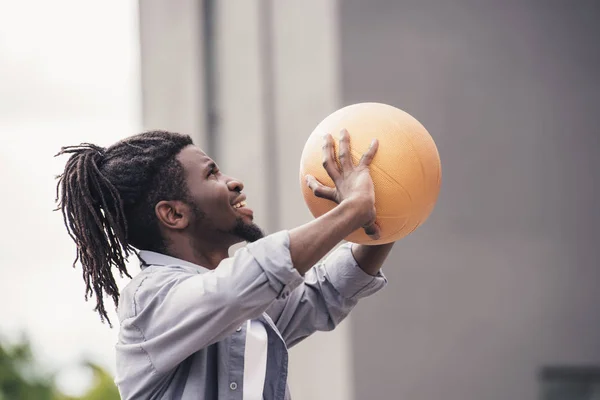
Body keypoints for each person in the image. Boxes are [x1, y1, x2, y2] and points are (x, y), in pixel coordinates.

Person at [55, 129, 394, 400]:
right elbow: (235, 289)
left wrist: (385, 216)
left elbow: (323, 292)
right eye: (212, 174)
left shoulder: (241, 308)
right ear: (174, 214)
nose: (234, 182)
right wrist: (351, 210)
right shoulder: (150, 298)